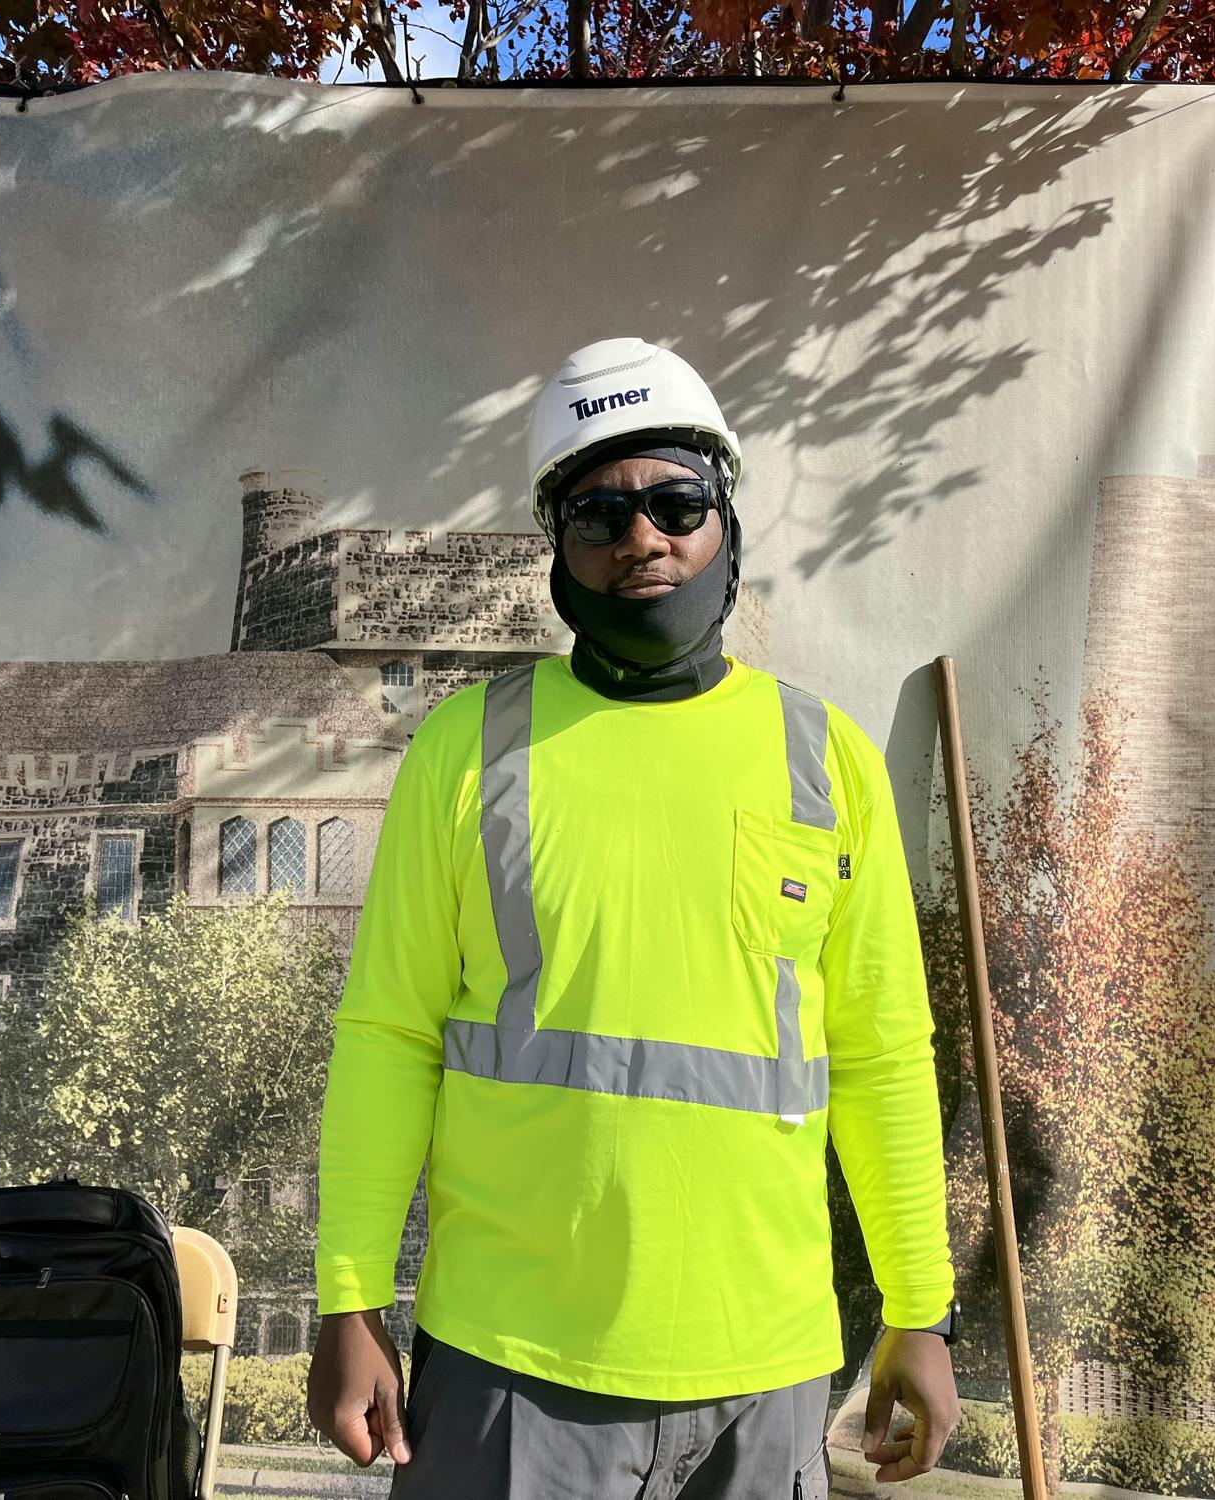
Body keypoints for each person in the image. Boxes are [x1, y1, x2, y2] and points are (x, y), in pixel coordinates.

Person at [305, 336, 959, 1499]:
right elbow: (388, 1034)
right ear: (556, 541)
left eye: (674, 501)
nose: (642, 539)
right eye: (598, 514)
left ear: (724, 516)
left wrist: (919, 1310)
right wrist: (348, 1295)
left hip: (765, 1381)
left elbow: (880, 1057)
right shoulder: (465, 749)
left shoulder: (827, 760)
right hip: (510, 1364)